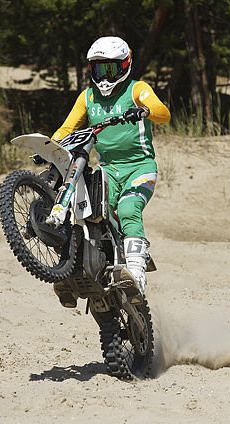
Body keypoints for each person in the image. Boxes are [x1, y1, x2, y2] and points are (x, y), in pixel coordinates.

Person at [49, 36, 170, 308]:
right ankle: (67, 271)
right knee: (83, 211)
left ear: (124, 65)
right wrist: (51, 146)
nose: (104, 76)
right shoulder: (87, 97)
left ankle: (136, 275)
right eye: (98, 69)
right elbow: (67, 128)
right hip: (108, 171)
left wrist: (144, 111)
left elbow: (163, 113)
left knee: (128, 208)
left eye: (110, 69)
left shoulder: (137, 89)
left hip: (140, 167)